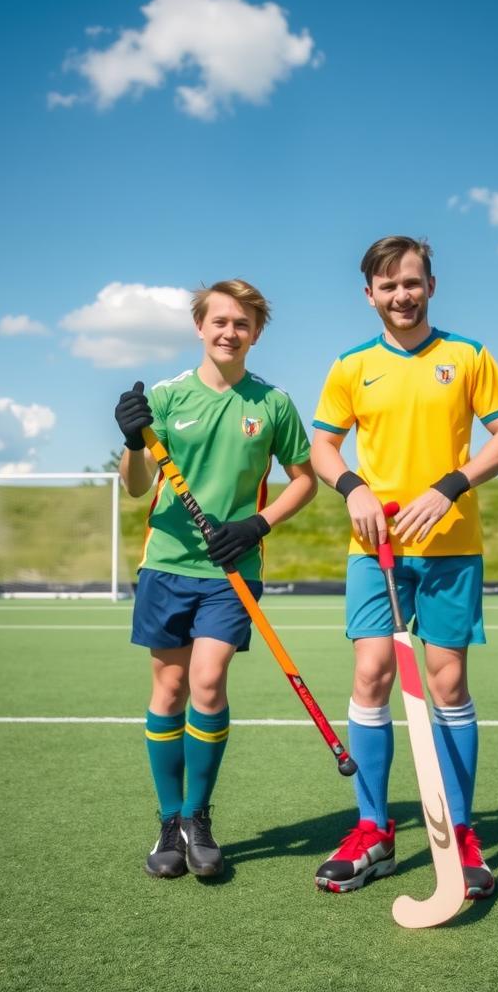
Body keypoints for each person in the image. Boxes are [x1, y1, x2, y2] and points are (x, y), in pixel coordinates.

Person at [310, 236, 498, 899]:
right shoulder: (350, 365)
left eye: (412, 282)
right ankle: (373, 830)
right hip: (374, 551)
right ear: (369, 294)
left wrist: (450, 486)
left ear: (431, 285)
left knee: (448, 680)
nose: (401, 294)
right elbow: (323, 445)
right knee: (372, 674)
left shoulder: (468, 356)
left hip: (452, 545)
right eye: (387, 285)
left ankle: (460, 834)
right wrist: (353, 488)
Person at [113, 278, 316, 880]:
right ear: (200, 327)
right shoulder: (169, 398)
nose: (231, 332)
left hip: (232, 571)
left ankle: (198, 817)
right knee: (169, 690)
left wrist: (258, 524)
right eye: (220, 321)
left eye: (243, 324)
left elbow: (304, 480)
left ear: (256, 333)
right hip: (167, 564)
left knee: (208, 680)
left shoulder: (272, 403)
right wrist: (131, 441)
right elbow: (134, 487)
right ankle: (168, 823)